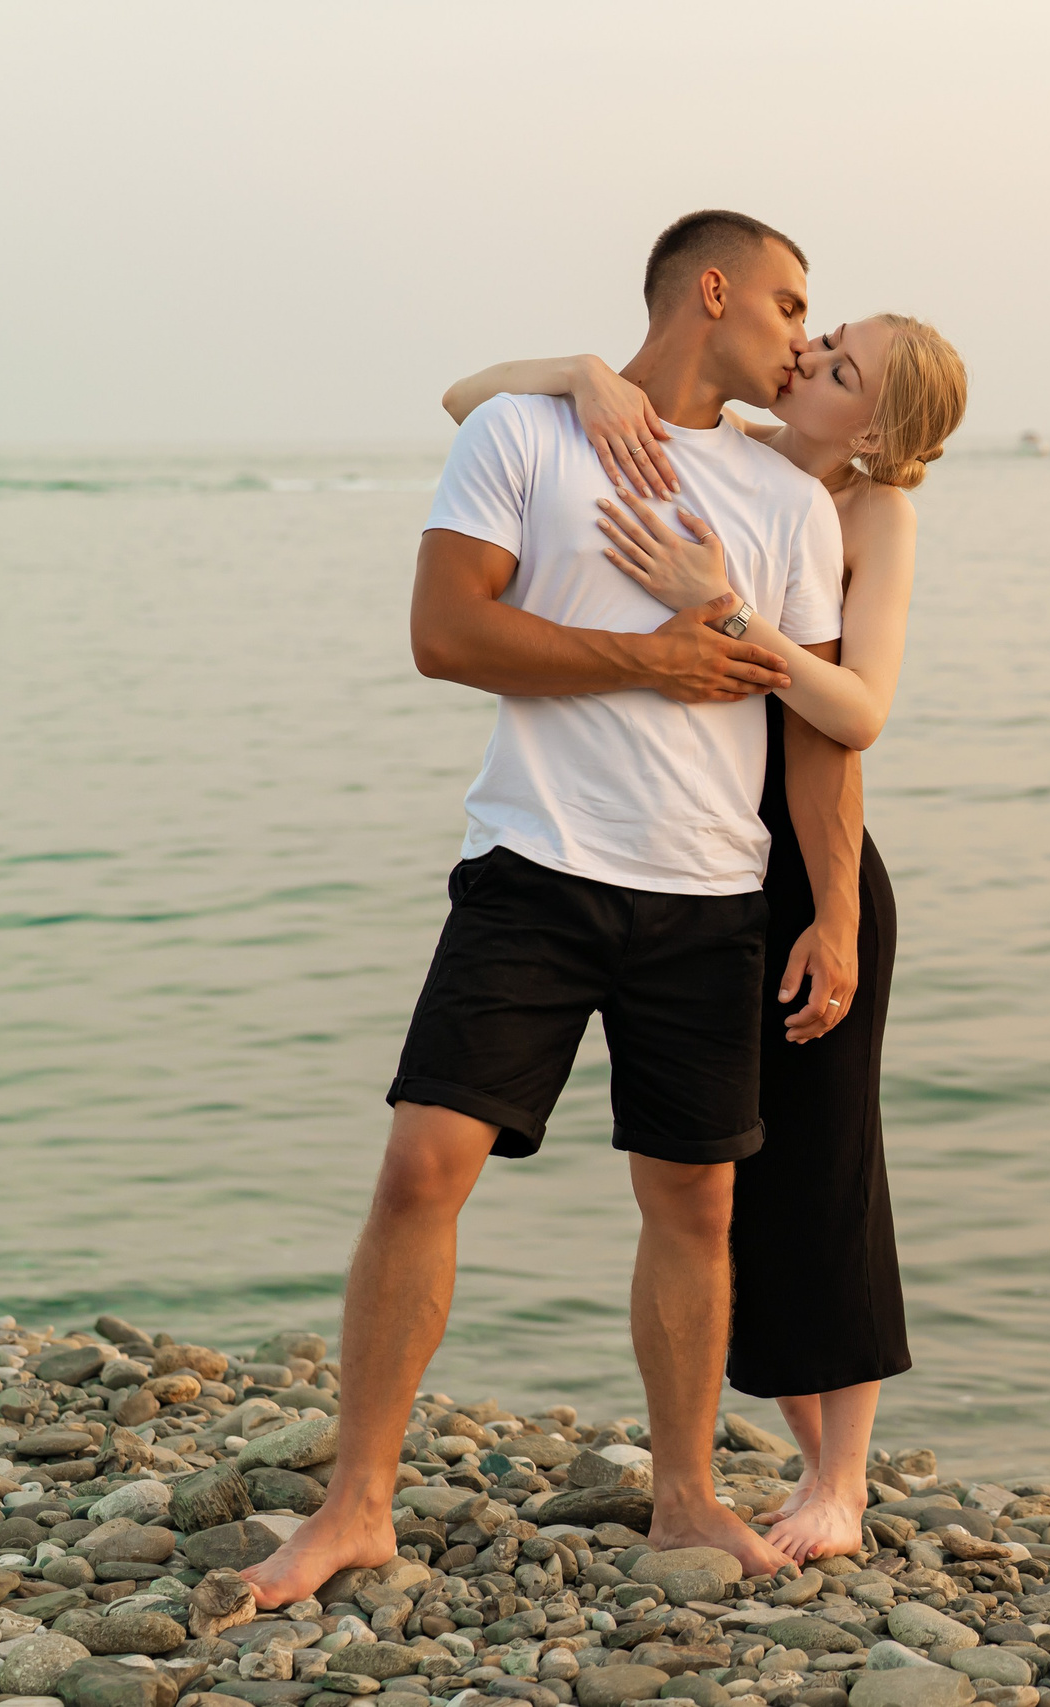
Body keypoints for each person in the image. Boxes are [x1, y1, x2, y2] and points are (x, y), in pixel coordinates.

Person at [242, 208, 853, 1608]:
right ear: (711, 290)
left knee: (697, 1200)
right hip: (534, 866)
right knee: (420, 1167)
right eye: (787, 302)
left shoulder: (789, 502)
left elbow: (823, 731)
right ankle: (357, 1503)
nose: (804, 335)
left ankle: (688, 1496)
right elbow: (446, 632)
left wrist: (836, 913)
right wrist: (645, 658)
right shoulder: (526, 433)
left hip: (710, 890)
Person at [438, 312, 966, 1559]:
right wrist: (578, 373)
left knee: (829, 1158)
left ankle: (843, 1483)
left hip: (813, 872)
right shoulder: (726, 442)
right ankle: (800, 1461)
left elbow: (858, 710)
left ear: (879, 430)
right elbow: (470, 399)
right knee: (735, 1175)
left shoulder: (871, 516)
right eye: (823, 334)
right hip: (694, 853)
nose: (807, 358)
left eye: (838, 369)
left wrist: (721, 609)